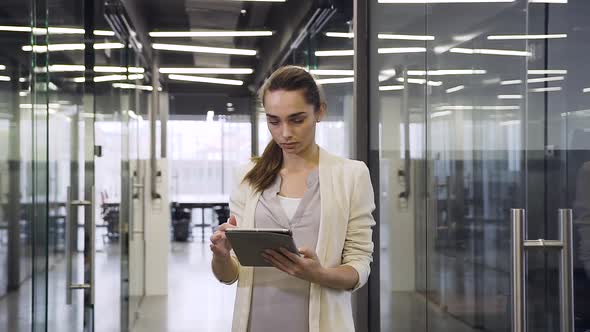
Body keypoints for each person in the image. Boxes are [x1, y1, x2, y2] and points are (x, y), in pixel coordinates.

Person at [209, 65, 376, 332]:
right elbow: (231, 275)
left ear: (319, 112)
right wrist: (221, 256)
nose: (285, 133)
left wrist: (319, 274)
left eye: (297, 119)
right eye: (274, 121)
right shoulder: (247, 177)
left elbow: (359, 266)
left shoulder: (351, 175)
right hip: (256, 324)